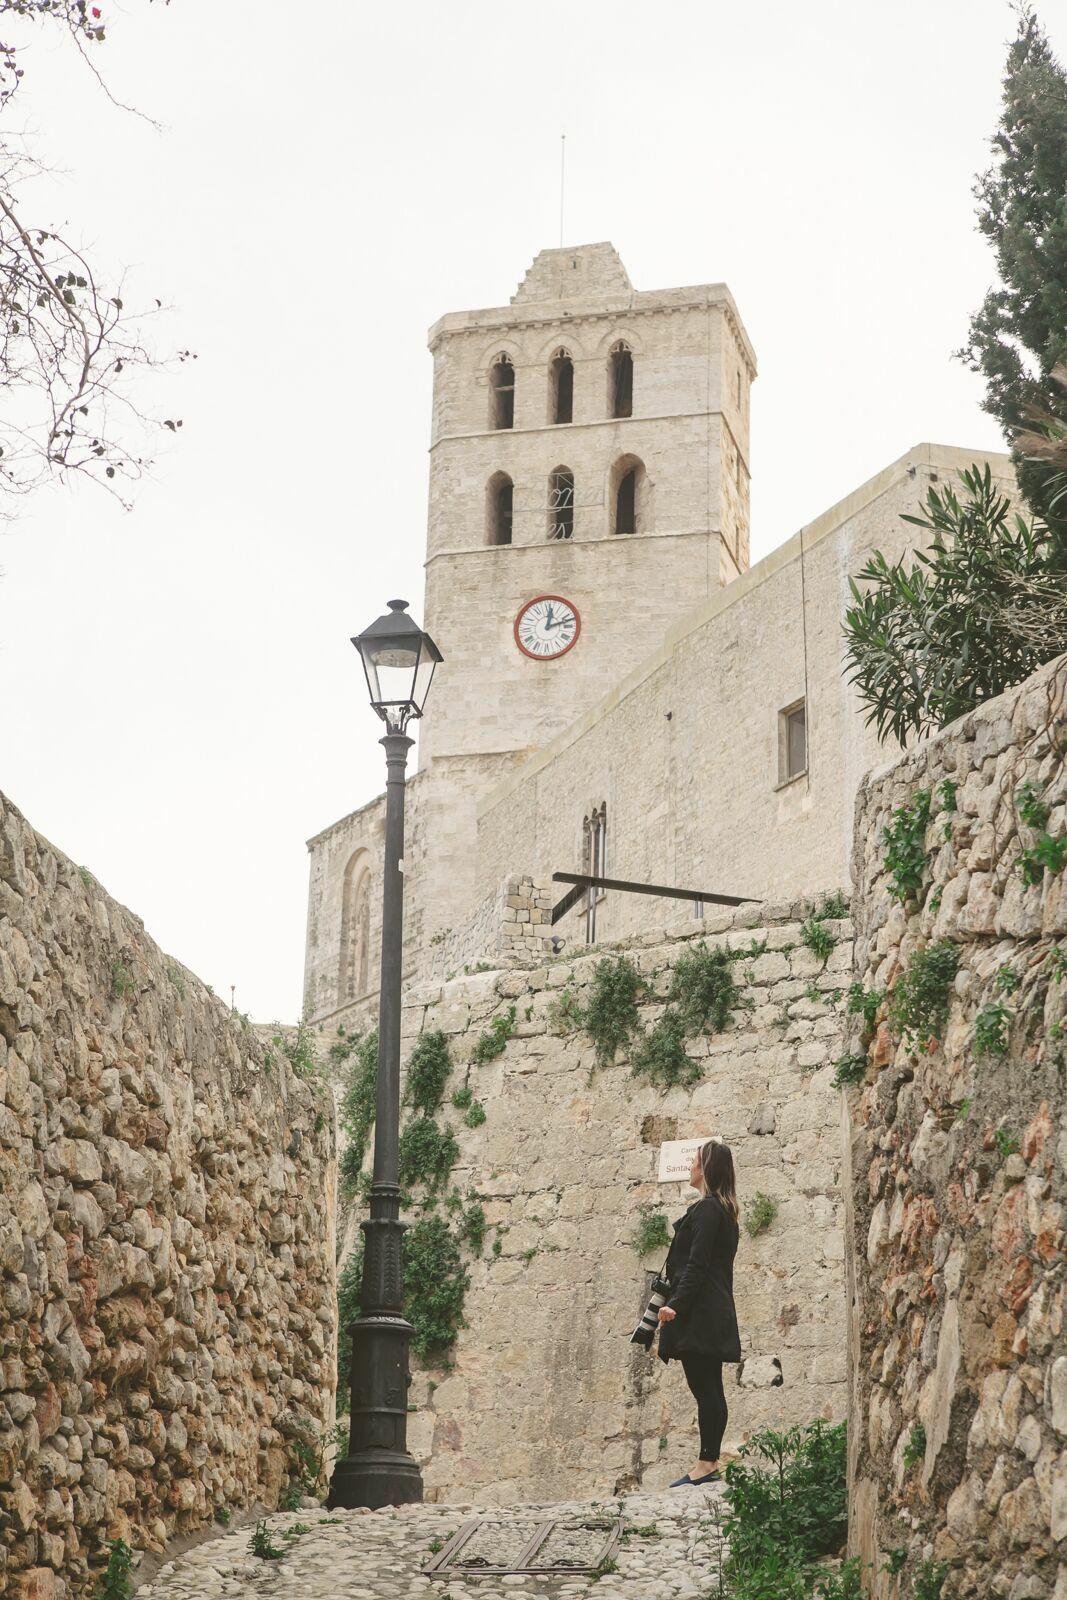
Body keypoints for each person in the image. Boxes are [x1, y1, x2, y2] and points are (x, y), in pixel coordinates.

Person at [657, 1138, 742, 1487]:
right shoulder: (722, 1211)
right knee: (711, 1388)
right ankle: (710, 1460)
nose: (690, 1167)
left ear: (707, 1168)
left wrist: (676, 1304)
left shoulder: (708, 1210)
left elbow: (697, 1264)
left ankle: (706, 1464)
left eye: (695, 1161)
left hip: (700, 1311)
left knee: (705, 1388)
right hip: (711, 1308)